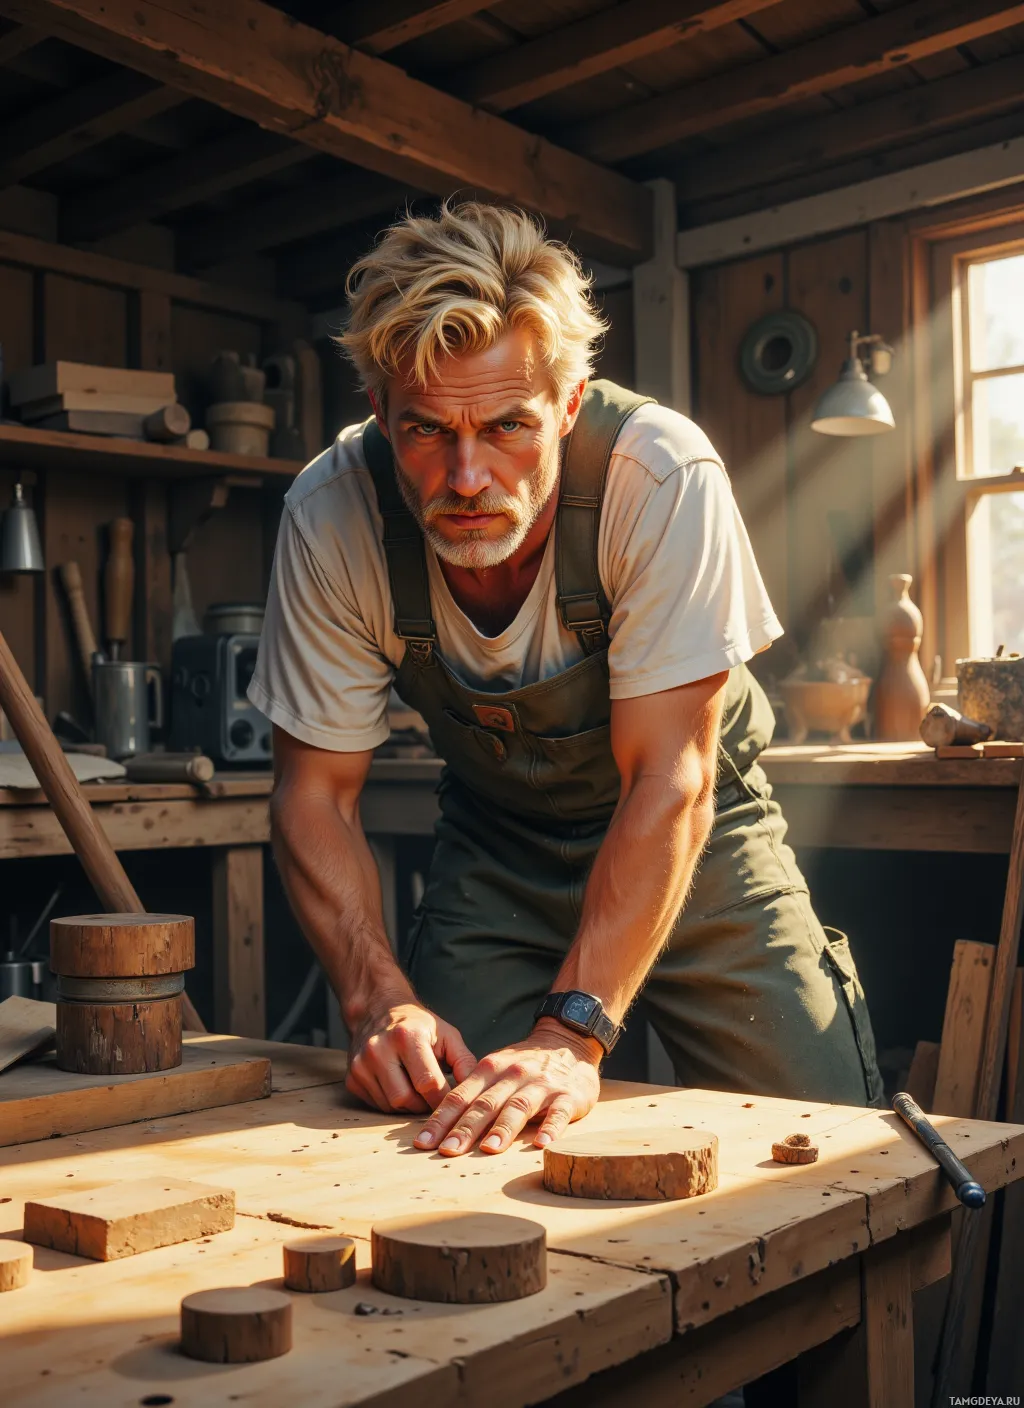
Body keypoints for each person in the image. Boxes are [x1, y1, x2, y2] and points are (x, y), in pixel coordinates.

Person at [250, 201, 882, 1160]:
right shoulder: (332, 514)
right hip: (499, 848)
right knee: (436, 1122)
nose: (467, 477)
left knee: (826, 1137)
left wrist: (570, 1032)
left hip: (699, 839)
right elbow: (313, 796)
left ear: (570, 404)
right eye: (427, 431)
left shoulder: (658, 475)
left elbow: (673, 780)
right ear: (381, 413)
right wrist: (379, 1000)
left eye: (507, 426)